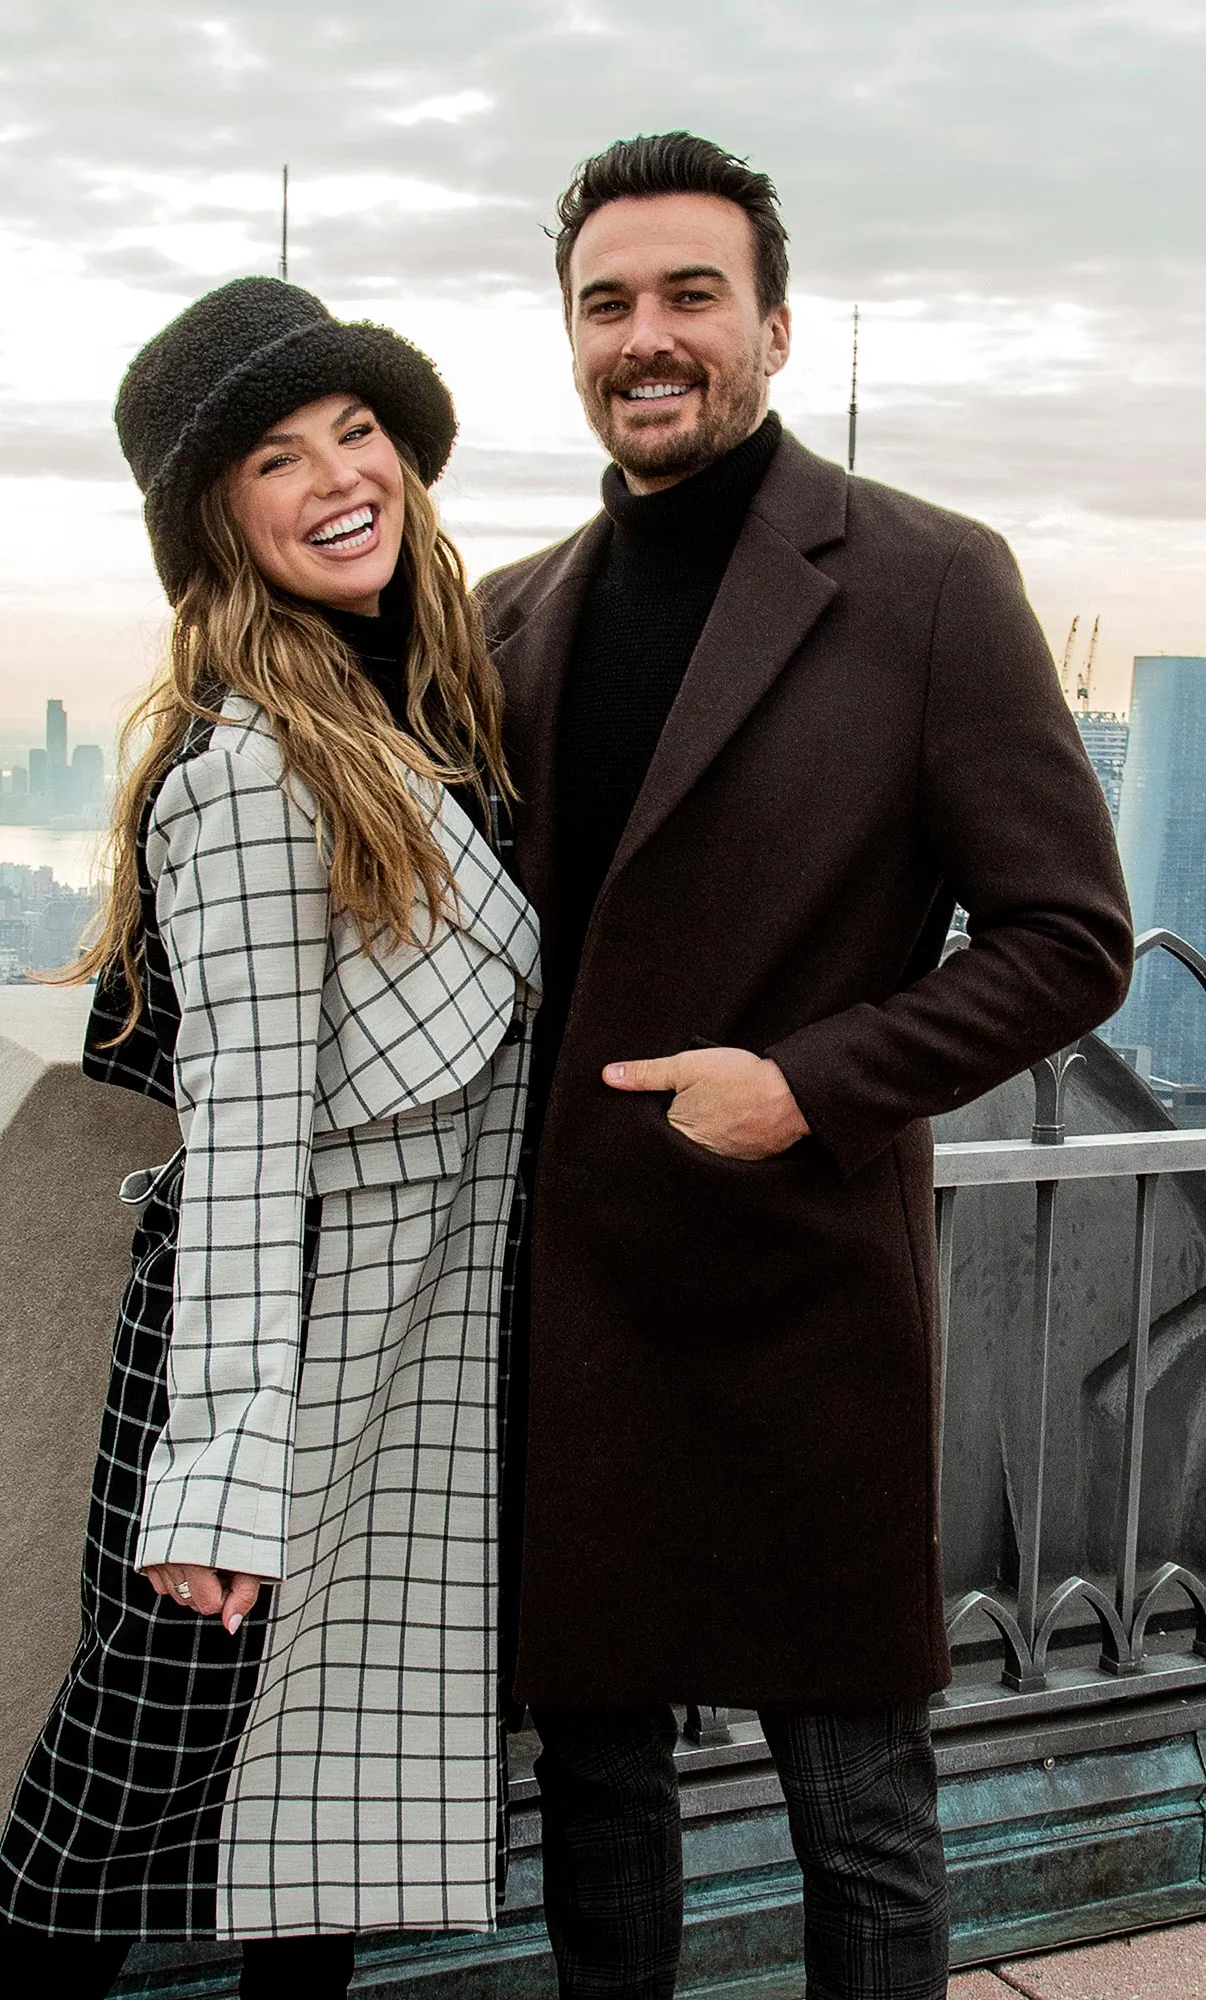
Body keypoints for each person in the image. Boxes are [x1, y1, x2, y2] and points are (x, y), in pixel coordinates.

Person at [481, 134, 1134, 2000]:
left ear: (771, 322)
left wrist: (808, 1081)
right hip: (569, 1325)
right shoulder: (517, 612)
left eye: (692, 294)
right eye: (607, 304)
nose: (648, 336)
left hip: (797, 1308)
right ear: (574, 341)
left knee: (860, 1819)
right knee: (596, 1801)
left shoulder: (927, 580)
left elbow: (1070, 940)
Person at [0, 277, 541, 2000]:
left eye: (357, 433)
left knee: (326, 1818)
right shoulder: (248, 763)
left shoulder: (437, 714)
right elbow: (244, 1135)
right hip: (266, 1352)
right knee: (113, 1800)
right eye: (277, 459)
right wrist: (213, 1477)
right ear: (221, 521)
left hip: (408, 1336)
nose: (336, 477)